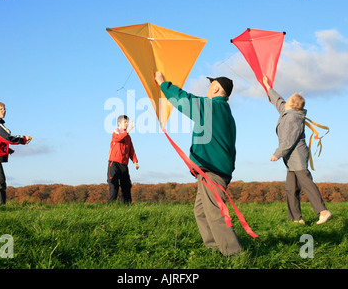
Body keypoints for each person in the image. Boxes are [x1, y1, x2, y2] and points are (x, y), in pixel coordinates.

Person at [155, 71, 243, 256]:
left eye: (210, 85)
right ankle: (214, 248)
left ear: (217, 88)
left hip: (213, 170)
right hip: (215, 169)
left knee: (215, 213)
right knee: (201, 211)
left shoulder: (213, 107)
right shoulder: (226, 113)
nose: (208, 88)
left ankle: (234, 254)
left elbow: (184, 101)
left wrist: (163, 84)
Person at [263, 76, 332, 225]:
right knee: (290, 188)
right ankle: (296, 218)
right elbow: (278, 101)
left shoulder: (293, 118)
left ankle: (324, 212)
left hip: (297, 158)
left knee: (307, 183)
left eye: (288, 99)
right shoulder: (288, 112)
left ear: (292, 105)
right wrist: (268, 88)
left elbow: (288, 141)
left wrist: (277, 153)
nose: (285, 101)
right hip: (291, 161)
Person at [107, 115, 139, 203]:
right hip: (114, 163)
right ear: (119, 123)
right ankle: (111, 204)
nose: (127, 124)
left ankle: (127, 205)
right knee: (113, 184)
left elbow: (131, 150)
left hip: (124, 164)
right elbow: (117, 139)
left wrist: (135, 161)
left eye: (127, 122)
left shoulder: (128, 137)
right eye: (124, 122)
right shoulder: (116, 132)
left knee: (126, 185)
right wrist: (128, 130)